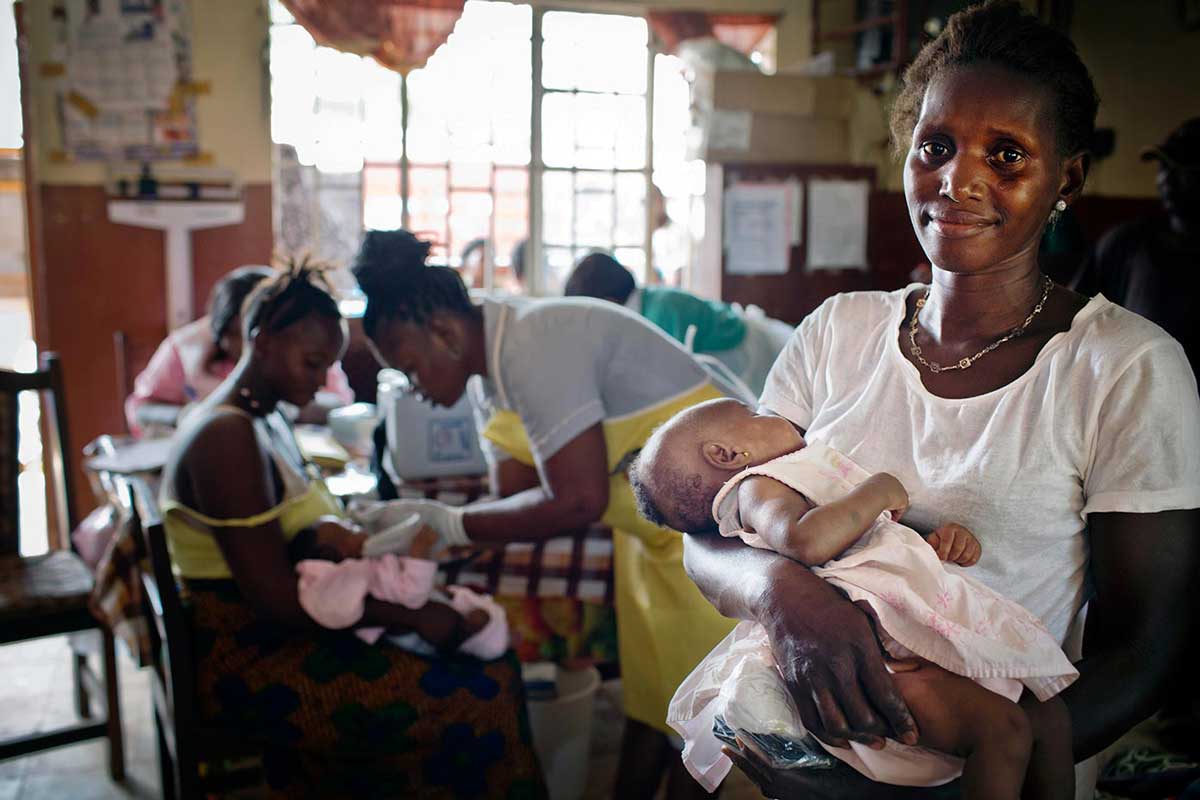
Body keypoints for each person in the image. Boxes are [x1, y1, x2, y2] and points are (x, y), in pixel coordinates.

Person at [680, 3, 1200, 798]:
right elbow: (709, 521)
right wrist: (786, 599)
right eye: (936, 146)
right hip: (793, 750)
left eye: (1007, 154)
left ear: (1066, 177)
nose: (959, 179)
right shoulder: (838, 331)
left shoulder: (1123, 367)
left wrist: (983, 771)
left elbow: (1146, 649)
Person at [350, 228, 737, 799]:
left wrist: (451, 525)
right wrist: (427, 528)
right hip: (652, 541)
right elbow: (514, 493)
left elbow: (576, 500)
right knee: (654, 702)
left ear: (444, 332)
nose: (414, 389)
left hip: (709, 531)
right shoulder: (492, 368)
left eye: (410, 368)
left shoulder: (533, 344)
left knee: (700, 729)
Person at [158, 261, 544, 798]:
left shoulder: (261, 418)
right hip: (250, 658)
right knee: (482, 685)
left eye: (328, 364)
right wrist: (410, 614)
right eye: (313, 362)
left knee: (462, 644)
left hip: (286, 623)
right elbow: (276, 602)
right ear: (261, 340)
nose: (321, 380)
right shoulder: (226, 437)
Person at [632, 397, 1077, 799]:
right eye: (757, 414)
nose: (773, 414)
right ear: (726, 455)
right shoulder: (756, 487)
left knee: (1048, 719)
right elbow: (805, 541)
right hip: (875, 643)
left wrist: (933, 541)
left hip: (899, 616)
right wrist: (877, 490)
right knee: (1002, 731)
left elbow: (869, 539)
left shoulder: (798, 473)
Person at [125, 265, 353, 436]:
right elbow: (141, 408)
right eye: (239, 333)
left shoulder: (303, 345)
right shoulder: (185, 349)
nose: (247, 345)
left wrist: (286, 406)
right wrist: (187, 415)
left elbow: (341, 402)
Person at [1072, 117, 1200, 375]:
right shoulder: (1127, 243)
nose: (1166, 179)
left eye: (1181, 168)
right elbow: (1071, 323)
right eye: (1163, 167)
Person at [564, 252, 792, 396]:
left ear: (608, 301)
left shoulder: (661, 312)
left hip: (748, 352)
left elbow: (671, 378)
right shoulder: (645, 304)